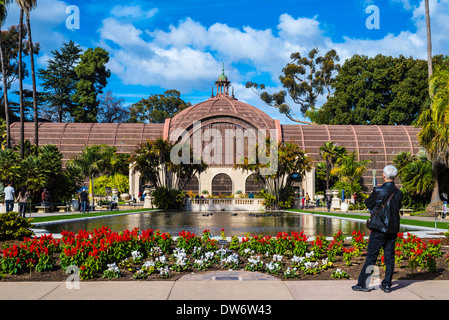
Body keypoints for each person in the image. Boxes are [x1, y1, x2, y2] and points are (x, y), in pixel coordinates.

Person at [352, 165, 403, 294]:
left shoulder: (378, 190)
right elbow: (397, 207)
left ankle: (363, 284)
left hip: (379, 228)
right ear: (395, 176)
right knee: (389, 257)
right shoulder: (399, 193)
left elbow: (368, 204)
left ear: (384, 175)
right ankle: (387, 285)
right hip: (392, 229)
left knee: (371, 257)